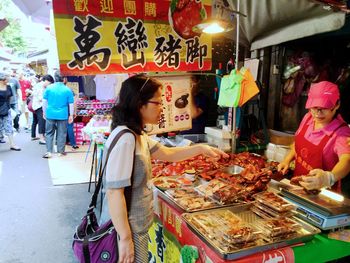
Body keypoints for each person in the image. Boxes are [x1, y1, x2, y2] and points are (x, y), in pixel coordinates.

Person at [99, 75, 227, 263]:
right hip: (126, 230)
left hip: (135, 228)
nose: (162, 108)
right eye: (158, 103)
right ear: (139, 104)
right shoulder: (126, 138)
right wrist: (125, 239)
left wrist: (201, 149)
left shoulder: (136, 135)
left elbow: (167, 153)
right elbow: (114, 192)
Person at [278, 81, 350, 197]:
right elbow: (298, 144)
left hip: (323, 196)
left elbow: (347, 160)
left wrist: (328, 178)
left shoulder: (341, 132)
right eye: (314, 107)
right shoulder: (308, 118)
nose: (318, 113)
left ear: (337, 105)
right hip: (298, 188)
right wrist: (287, 160)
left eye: (324, 108)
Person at [42, 70, 74, 158]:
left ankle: (49, 151)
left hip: (50, 113)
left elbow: (44, 102)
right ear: (64, 79)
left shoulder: (48, 88)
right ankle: (61, 151)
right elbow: (71, 104)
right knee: (62, 133)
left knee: (49, 132)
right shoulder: (67, 90)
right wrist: (71, 115)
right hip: (63, 114)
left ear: (55, 78)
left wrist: (44, 112)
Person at [0, 72, 21, 151]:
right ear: (2, 80)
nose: (8, 79)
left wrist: (9, 107)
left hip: (6, 110)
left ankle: (12, 144)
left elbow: (10, 97)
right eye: (7, 78)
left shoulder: (8, 87)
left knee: (9, 126)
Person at [31, 74, 54, 144]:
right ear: (46, 81)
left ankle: (35, 136)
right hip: (39, 106)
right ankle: (41, 138)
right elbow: (40, 98)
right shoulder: (39, 86)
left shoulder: (42, 86)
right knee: (41, 121)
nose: (49, 85)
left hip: (37, 105)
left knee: (36, 121)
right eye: (49, 83)